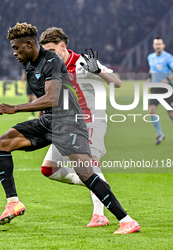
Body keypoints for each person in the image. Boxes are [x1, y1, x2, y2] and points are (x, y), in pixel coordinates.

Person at [0, 22, 140, 234]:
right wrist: (39, 120)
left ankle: (125, 220)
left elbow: (54, 96)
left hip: (76, 122)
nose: (14, 53)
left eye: (16, 48)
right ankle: (13, 202)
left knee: (86, 172)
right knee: (2, 144)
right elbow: (44, 96)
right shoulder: (30, 64)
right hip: (51, 121)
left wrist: (15, 108)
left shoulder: (63, 61)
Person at [39, 27, 122, 227]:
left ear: (63, 46)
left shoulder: (84, 62)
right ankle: (95, 183)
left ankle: (99, 214)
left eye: (51, 50)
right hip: (68, 124)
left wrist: (99, 71)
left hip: (92, 120)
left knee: (89, 163)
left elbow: (117, 82)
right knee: (48, 169)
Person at [147, 37, 173, 145]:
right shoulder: (150, 57)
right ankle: (160, 134)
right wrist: (149, 78)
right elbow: (151, 69)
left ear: (163, 45)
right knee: (152, 112)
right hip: (154, 88)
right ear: (153, 46)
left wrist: (167, 79)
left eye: (160, 44)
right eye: (156, 44)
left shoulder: (168, 57)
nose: (158, 46)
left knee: (171, 113)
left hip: (166, 88)